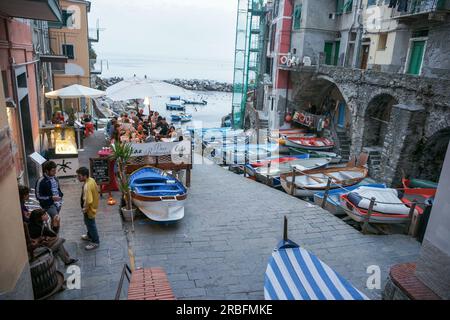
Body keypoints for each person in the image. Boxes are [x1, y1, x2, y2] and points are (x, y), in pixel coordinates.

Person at [76, 167, 100, 251]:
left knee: (91, 224)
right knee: (88, 223)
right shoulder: (91, 180)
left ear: (85, 176)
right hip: (92, 207)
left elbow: (88, 201)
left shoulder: (87, 186)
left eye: (79, 176)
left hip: (89, 209)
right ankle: (89, 235)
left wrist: (84, 209)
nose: (78, 178)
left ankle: (95, 241)